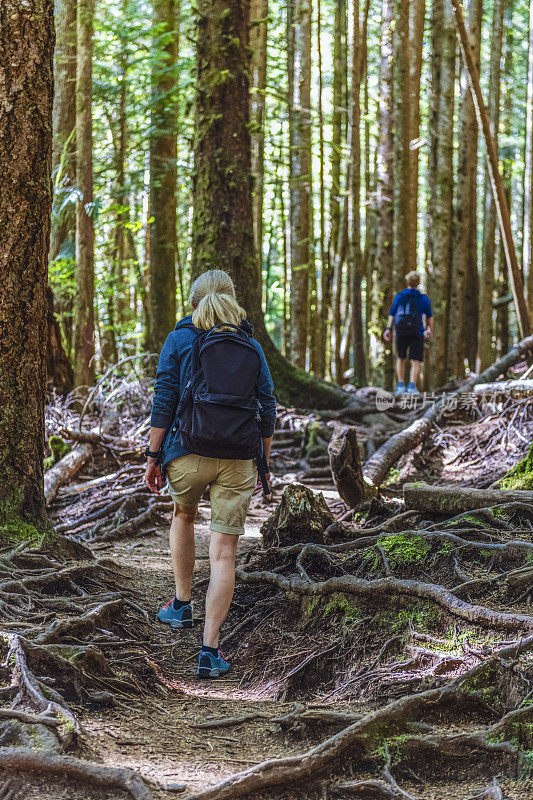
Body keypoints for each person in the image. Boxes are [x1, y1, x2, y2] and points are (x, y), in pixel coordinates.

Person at [144, 270, 276, 678]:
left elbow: (165, 398)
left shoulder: (180, 338)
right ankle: (209, 649)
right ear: (233, 300)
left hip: (187, 453)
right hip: (238, 458)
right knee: (224, 553)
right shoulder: (250, 343)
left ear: (194, 301)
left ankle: (181, 605)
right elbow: (267, 408)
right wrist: (262, 464)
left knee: (183, 516)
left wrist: (152, 455)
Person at [384, 271, 434, 396]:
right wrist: (429, 329)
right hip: (417, 331)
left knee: (400, 357)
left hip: (401, 331)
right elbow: (430, 316)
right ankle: (412, 385)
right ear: (418, 283)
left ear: (407, 282)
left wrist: (388, 329)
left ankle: (401, 385)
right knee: (415, 359)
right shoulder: (423, 298)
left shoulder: (400, 296)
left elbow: (392, 313)